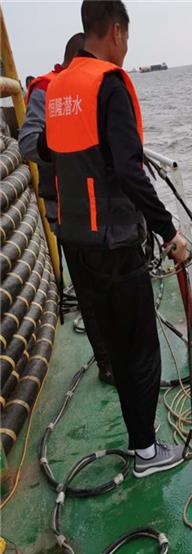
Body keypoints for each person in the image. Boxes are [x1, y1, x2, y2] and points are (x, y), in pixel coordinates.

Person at [41, 0, 188, 478]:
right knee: (140, 348)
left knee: (117, 348)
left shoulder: (59, 85)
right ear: (116, 31)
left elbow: (46, 149)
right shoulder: (107, 85)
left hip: (76, 245)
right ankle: (146, 452)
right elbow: (130, 169)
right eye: (127, 38)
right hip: (115, 244)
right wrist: (170, 232)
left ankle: (139, 441)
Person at [18, 33, 117, 386]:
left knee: (114, 286)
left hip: (103, 209)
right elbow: (29, 143)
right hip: (68, 211)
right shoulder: (48, 92)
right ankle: (107, 363)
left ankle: (123, 355)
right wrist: (65, 136)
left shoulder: (100, 90)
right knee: (89, 291)